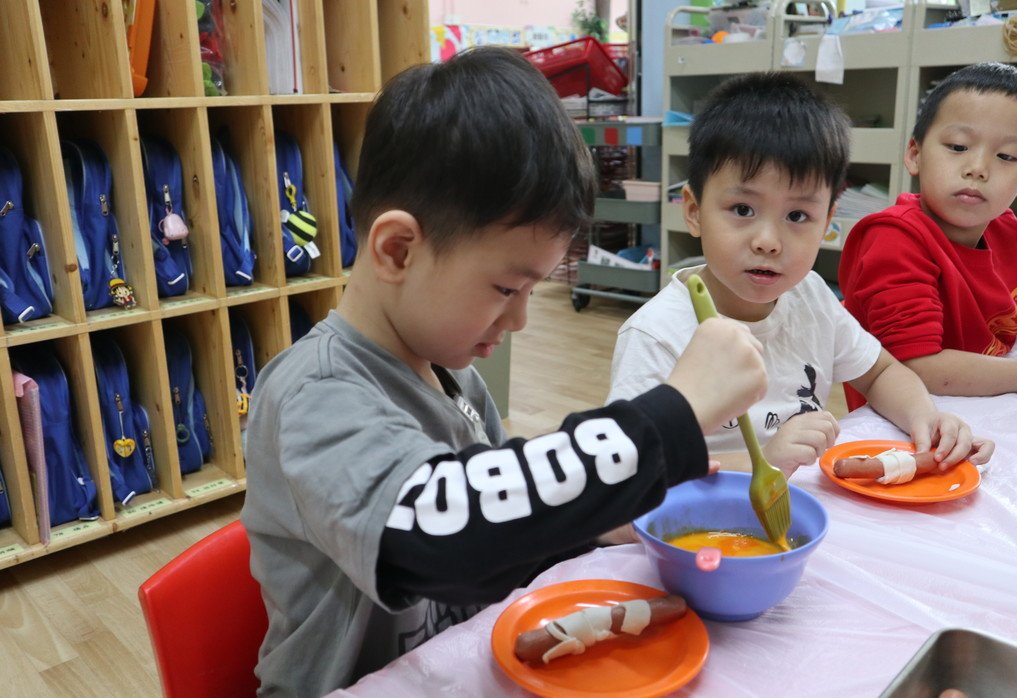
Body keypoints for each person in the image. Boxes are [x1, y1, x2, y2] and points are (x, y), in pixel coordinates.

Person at [241, 47, 769, 696]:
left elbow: (505, 519)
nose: (519, 320)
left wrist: (604, 512)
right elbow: (443, 533)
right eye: (505, 288)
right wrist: (667, 419)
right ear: (398, 250)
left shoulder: (451, 373)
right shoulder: (315, 393)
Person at [607, 72, 994, 477]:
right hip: (706, 513)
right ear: (693, 211)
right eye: (742, 210)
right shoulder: (656, 335)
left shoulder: (810, 295)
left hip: (802, 504)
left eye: (797, 216)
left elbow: (880, 372)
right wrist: (765, 462)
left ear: (826, 222)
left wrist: (925, 417)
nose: (768, 241)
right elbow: (635, 473)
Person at [839, 62, 1017, 396]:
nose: (977, 169)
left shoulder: (1005, 227)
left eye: (1006, 156)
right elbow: (918, 369)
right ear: (915, 154)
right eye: (958, 147)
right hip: (912, 415)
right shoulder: (894, 240)